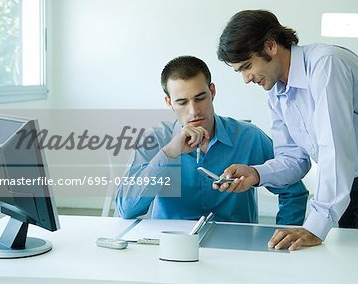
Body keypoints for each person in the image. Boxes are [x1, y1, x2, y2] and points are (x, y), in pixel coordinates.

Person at [216, 9, 358, 250]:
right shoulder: (277, 92)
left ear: (271, 46)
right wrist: (256, 173)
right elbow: (295, 159)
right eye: (239, 71)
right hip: (353, 178)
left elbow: (334, 148)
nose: (246, 78)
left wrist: (314, 225)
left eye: (247, 66)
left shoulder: (326, 65)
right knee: (348, 259)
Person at [115, 55, 308, 224]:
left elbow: (294, 192)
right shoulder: (155, 139)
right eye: (182, 102)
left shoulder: (249, 137)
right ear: (169, 102)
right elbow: (127, 209)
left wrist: (285, 233)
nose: (194, 111)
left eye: (200, 98)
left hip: (236, 248)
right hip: (170, 246)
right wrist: (168, 154)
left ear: (212, 92)